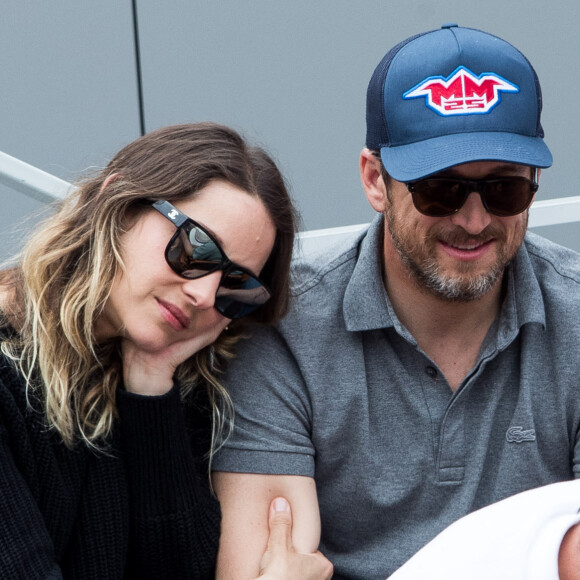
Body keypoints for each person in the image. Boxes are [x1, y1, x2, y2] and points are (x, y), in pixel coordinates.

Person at [212, 25, 580, 579]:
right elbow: (265, 569)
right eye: (440, 190)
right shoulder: (284, 325)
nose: (474, 219)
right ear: (374, 180)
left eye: (505, 188)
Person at [0, 122, 332, 579]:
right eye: (196, 248)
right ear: (116, 204)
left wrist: (151, 382)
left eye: (237, 284)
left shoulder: (188, 395)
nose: (204, 295)